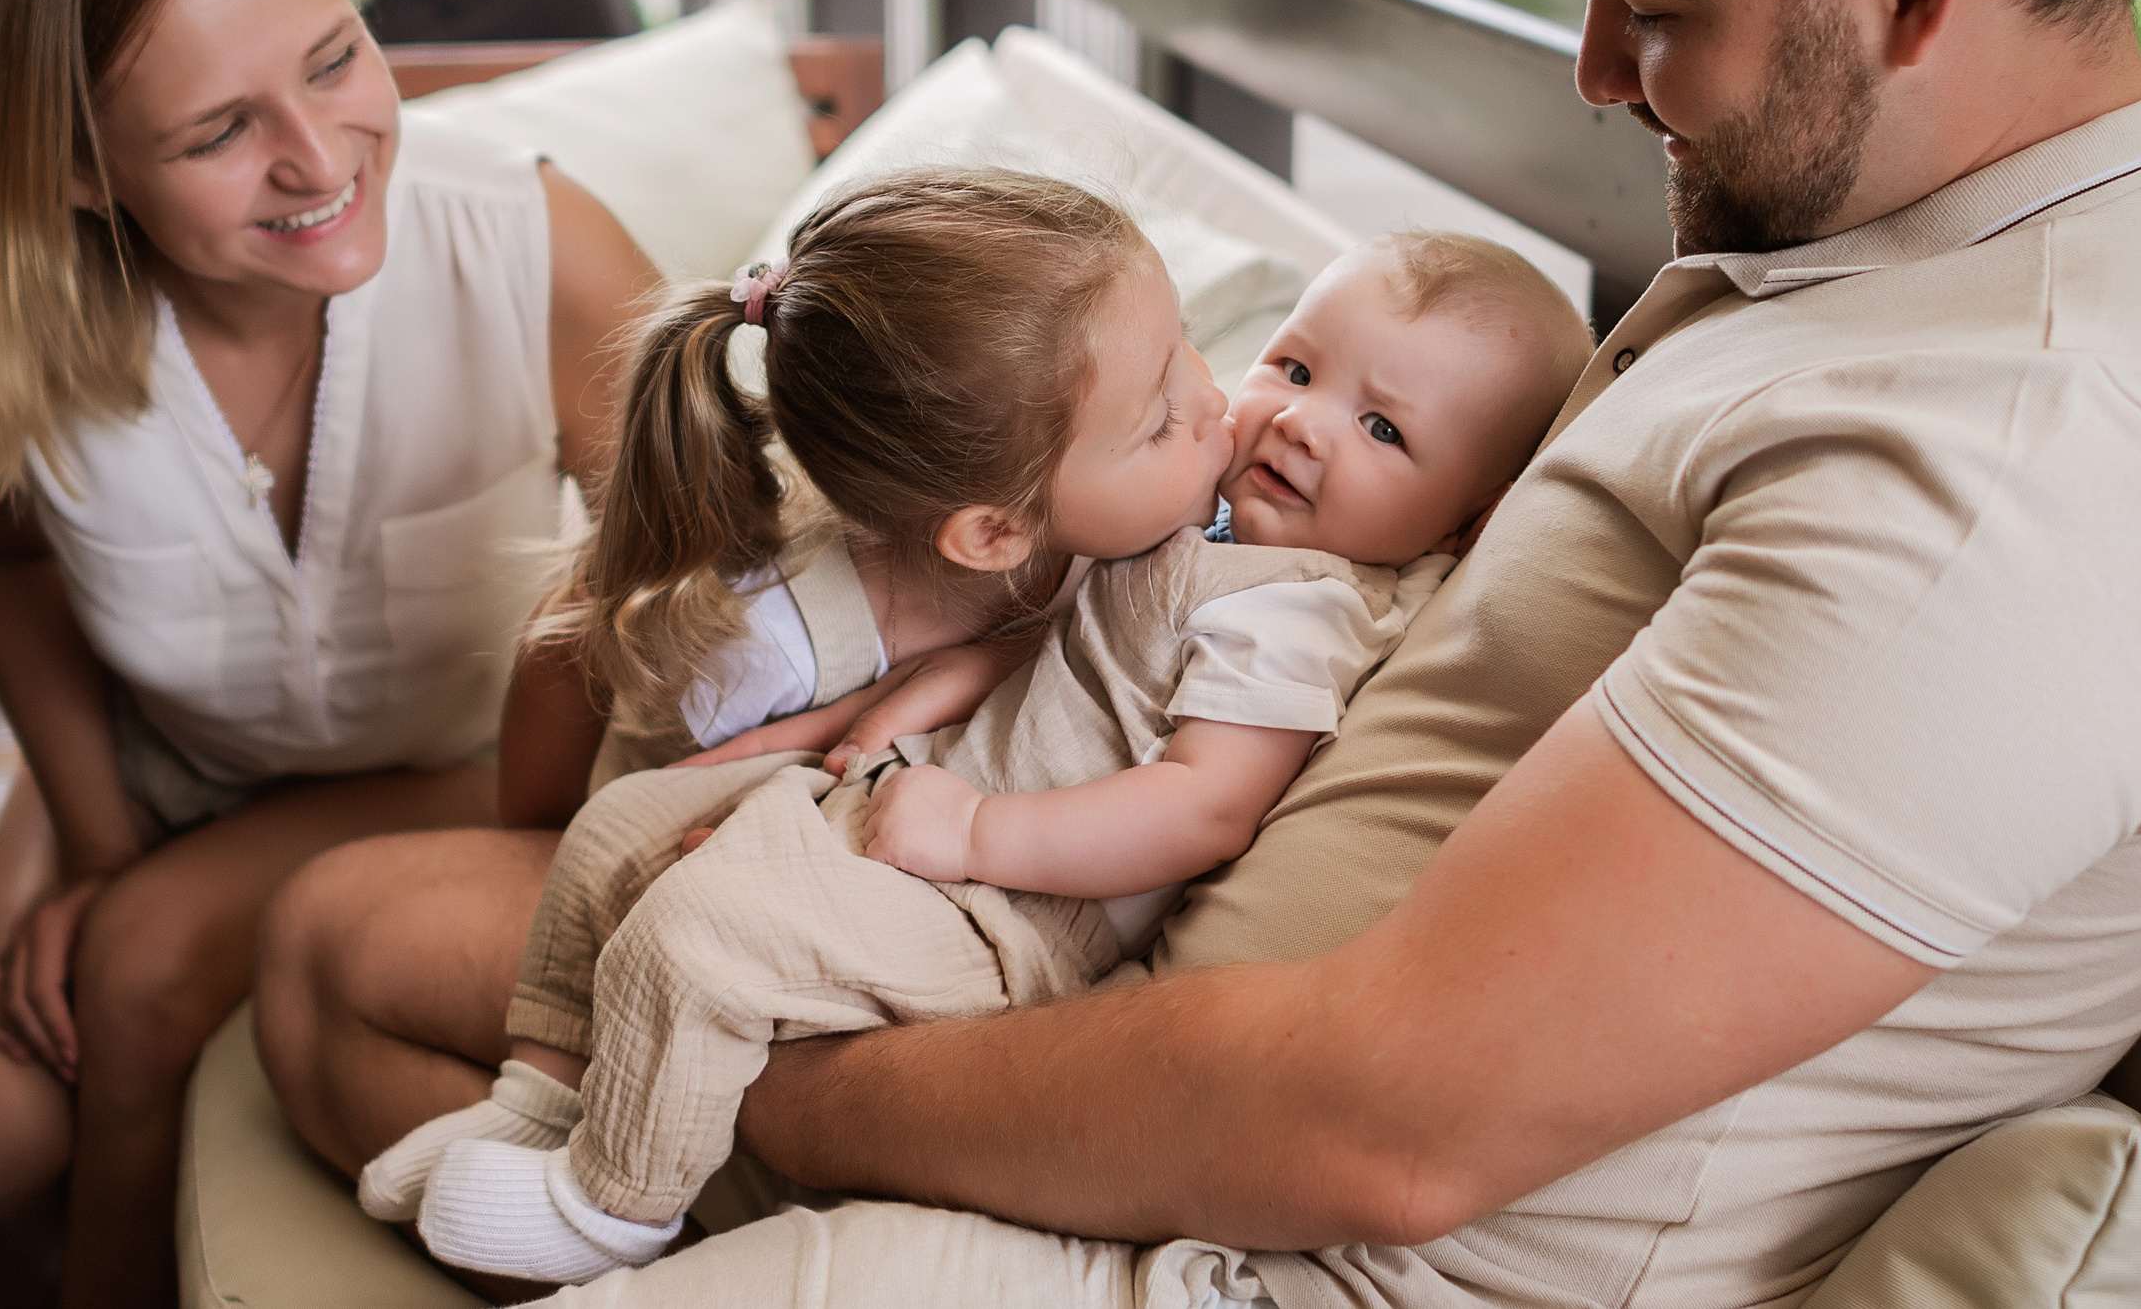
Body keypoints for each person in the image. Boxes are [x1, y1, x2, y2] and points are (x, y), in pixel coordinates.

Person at [512, 0, 2141, 1305]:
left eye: (1658, 6)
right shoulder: (1886, 261)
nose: (1601, 72)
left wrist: (783, 1087)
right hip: (1142, 1044)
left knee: (417, 966)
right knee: (378, 954)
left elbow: (1375, 1130)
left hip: (1249, 1249)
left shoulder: (2017, 471)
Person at [371, 232, 1587, 1284]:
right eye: (1297, 366)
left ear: (1468, 521)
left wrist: (975, 836)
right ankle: (529, 1107)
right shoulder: (1193, 509)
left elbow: (1204, 807)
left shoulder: (1300, 612)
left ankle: (609, 1205)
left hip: (1011, 913)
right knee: (616, 830)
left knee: (704, 945)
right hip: (921, 807)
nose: (1302, 424)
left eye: (1380, 428)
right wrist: (872, 731)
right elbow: (1022, 641)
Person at [0, 0, 657, 1309]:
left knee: (148, 959)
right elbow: (8, 564)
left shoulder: (540, 251)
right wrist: (94, 839)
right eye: (223, 128)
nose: (321, 158)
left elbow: (711, 593)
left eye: (335, 58)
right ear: (78, 169)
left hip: (478, 767)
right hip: (169, 757)